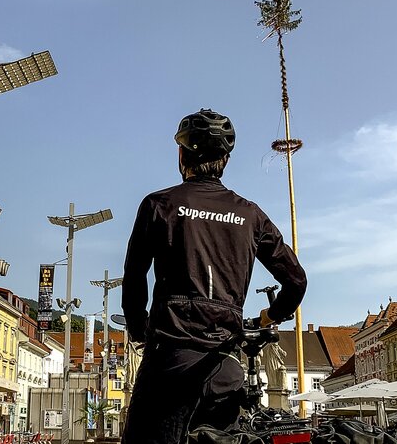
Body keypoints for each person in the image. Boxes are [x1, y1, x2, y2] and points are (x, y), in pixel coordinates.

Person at [121, 109, 308, 444]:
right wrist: (270, 315)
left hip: (170, 362)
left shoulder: (159, 205)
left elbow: (134, 278)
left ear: (181, 155)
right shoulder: (250, 214)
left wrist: (138, 330)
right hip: (224, 365)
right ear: (225, 159)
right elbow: (296, 281)